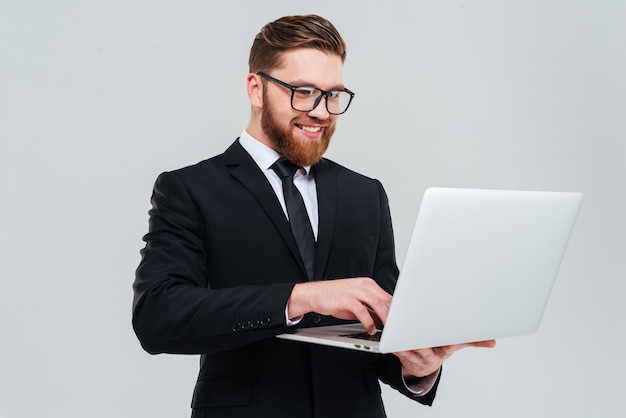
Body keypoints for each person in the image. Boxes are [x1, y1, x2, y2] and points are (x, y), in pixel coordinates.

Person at [132, 14, 495, 418]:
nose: (322, 112)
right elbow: (158, 316)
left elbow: (381, 329)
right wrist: (302, 296)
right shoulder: (190, 189)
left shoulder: (365, 194)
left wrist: (417, 367)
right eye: (303, 92)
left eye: (333, 95)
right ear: (256, 89)